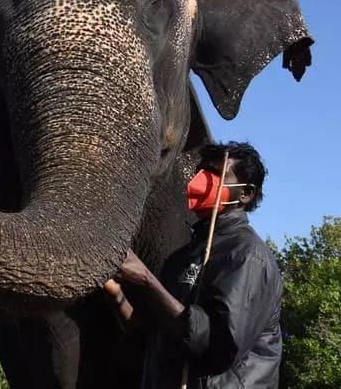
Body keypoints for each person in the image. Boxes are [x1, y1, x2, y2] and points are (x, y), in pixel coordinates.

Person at [103, 142, 283, 388]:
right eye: (201, 172)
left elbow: (216, 346)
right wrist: (115, 293)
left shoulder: (246, 255)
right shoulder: (183, 255)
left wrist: (147, 279)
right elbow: (150, 338)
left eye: (216, 174)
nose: (201, 181)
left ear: (246, 194)